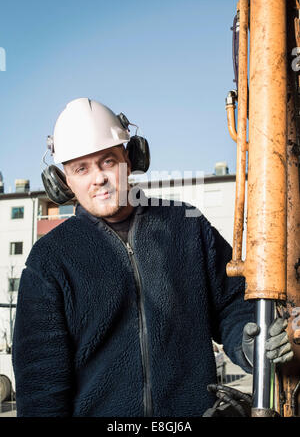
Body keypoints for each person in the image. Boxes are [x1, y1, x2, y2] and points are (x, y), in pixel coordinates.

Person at [12, 98, 293, 417]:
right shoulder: (50, 259)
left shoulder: (187, 225)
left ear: (130, 158)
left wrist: (247, 341)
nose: (98, 178)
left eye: (107, 161)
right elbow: (40, 387)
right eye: (81, 168)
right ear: (63, 181)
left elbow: (233, 304)